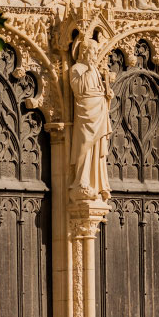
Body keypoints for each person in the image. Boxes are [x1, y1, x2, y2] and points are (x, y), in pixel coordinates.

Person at [69, 39, 112, 202]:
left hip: (98, 112)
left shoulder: (94, 69)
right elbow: (78, 88)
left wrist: (107, 96)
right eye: (93, 51)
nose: (95, 55)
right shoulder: (77, 68)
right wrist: (88, 69)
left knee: (96, 149)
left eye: (95, 52)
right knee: (84, 147)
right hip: (85, 114)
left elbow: (98, 91)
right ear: (84, 52)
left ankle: (98, 184)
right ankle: (81, 181)